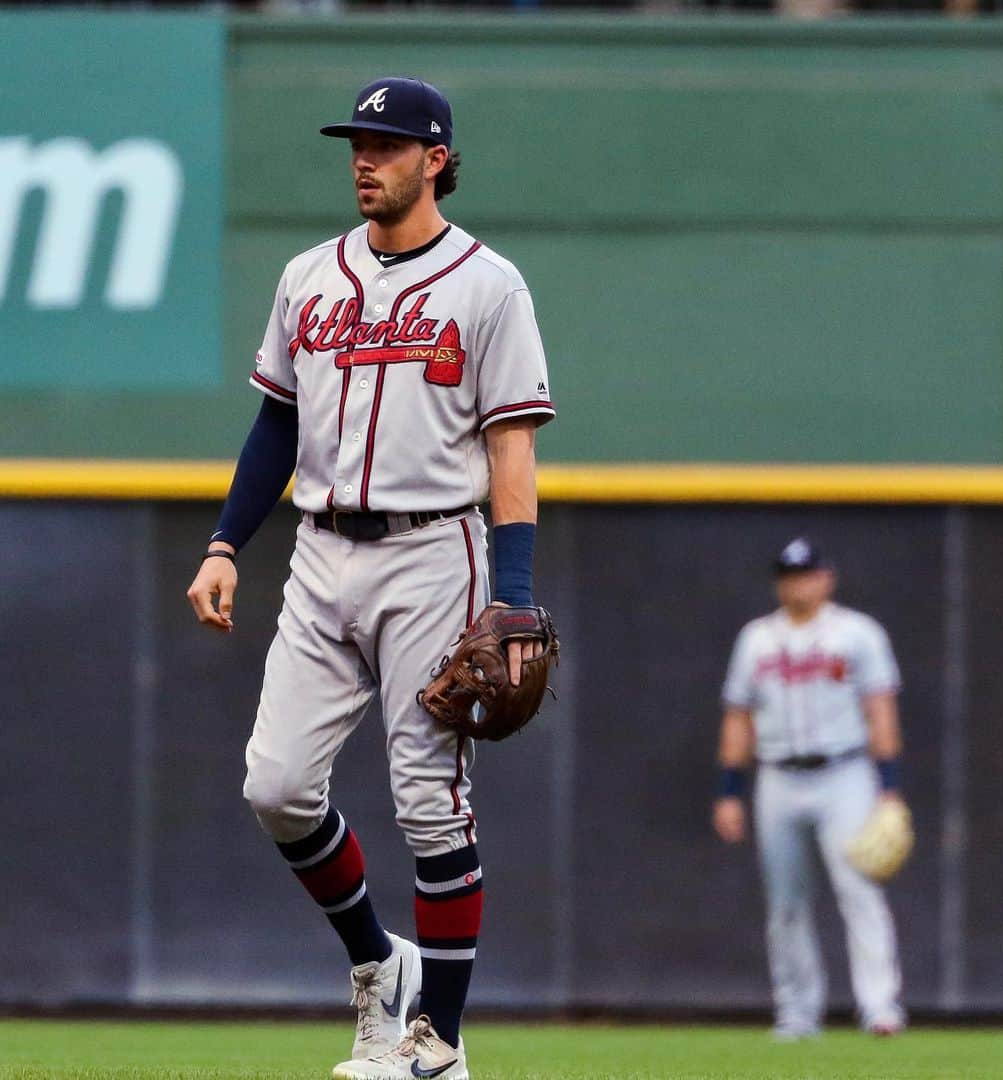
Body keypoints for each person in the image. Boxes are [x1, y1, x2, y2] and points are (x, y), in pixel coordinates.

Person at [186, 76, 555, 1080]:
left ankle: (438, 1037)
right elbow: (277, 423)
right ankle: (377, 971)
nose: (365, 159)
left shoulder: (488, 284)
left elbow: (512, 446)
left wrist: (510, 591)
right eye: (357, 142)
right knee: (277, 787)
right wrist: (225, 543)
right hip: (321, 551)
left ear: (435, 159)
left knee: (429, 803)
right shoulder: (309, 274)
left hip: (435, 548)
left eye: (388, 145)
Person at [711, 538, 906, 1039]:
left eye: (807, 574)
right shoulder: (757, 639)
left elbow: (880, 710)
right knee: (786, 903)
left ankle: (880, 1008)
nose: (798, 583)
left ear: (827, 578)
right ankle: (797, 1013)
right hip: (777, 775)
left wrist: (890, 789)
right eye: (790, 575)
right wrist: (729, 790)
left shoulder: (857, 633)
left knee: (859, 890)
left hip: (845, 773)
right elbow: (739, 716)